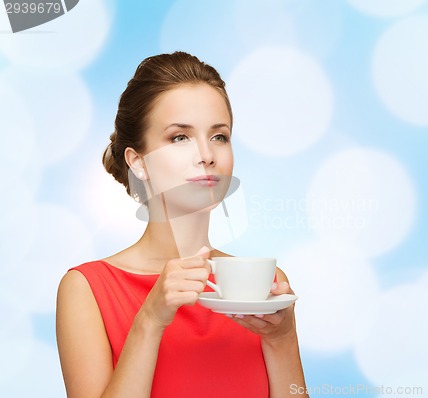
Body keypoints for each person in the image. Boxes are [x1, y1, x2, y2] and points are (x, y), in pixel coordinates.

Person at [56, 51, 309, 398]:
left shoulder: (263, 288)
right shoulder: (87, 290)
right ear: (138, 163)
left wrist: (282, 338)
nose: (206, 155)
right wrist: (150, 320)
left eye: (219, 136)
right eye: (180, 137)